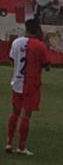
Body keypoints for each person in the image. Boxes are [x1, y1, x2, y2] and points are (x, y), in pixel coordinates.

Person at [5, 19, 50, 155]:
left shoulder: (17, 42)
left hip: (17, 81)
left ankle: (8, 143)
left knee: (15, 112)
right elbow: (46, 65)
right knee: (26, 114)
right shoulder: (40, 45)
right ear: (37, 30)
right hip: (31, 83)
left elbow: (12, 59)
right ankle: (21, 146)